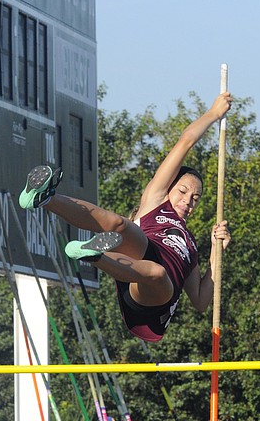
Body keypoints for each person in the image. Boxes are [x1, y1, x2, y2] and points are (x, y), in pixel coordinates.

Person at [19, 92, 234, 342]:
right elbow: (185, 141)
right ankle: (44, 199)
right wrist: (214, 113)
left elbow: (200, 300)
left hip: (153, 298)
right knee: (121, 224)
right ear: (168, 188)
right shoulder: (155, 199)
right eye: (183, 191)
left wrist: (216, 254)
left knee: (157, 272)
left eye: (195, 198)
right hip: (139, 252)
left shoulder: (190, 245)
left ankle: (95, 255)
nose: (188, 200)